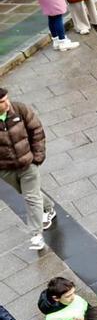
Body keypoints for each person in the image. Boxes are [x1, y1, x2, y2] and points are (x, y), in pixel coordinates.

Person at [0, 88, 55, 251]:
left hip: (27, 163)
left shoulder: (20, 110)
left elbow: (37, 131)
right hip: (6, 169)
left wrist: (37, 157)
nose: (7, 103)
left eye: (6, 99)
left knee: (30, 197)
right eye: (2, 102)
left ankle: (36, 234)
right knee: (29, 193)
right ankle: (49, 207)